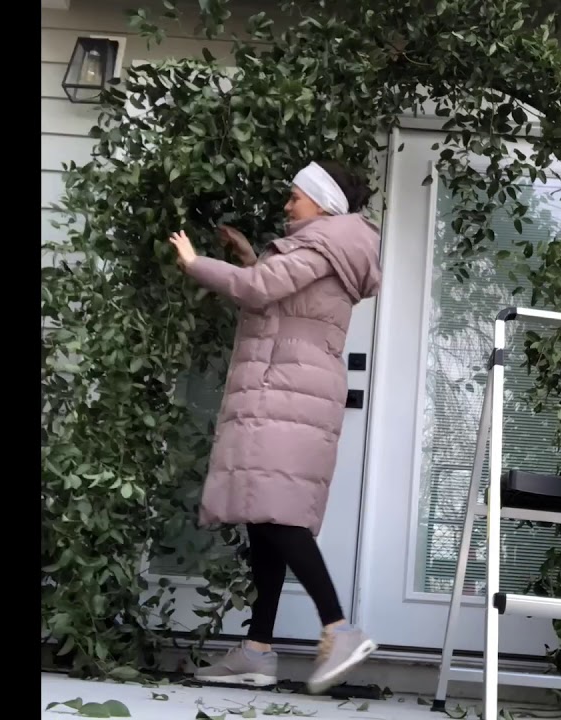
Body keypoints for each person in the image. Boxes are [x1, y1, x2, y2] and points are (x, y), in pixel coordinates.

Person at [167, 160, 383, 694]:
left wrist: (197, 262)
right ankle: (258, 650)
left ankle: (340, 627)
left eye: (294, 198)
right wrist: (246, 256)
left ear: (323, 202)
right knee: (265, 518)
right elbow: (284, 296)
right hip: (289, 390)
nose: (287, 206)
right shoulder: (324, 249)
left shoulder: (318, 246)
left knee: (279, 517)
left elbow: (261, 291)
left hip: (290, 393)